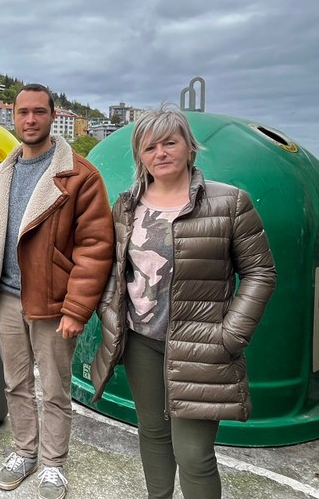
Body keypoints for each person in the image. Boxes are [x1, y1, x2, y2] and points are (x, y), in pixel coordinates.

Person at [90, 105, 277, 499]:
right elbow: (113, 270)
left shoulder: (229, 203)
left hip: (202, 347)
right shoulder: (127, 205)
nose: (161, 153)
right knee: (153, 435)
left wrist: (230, 335)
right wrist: (110, 313)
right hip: (140, 342)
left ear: (189, 147)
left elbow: (261, 272)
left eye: (170, 142)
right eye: (149, 146)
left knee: (194, 454)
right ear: (140, 155)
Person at [0, 83, 114, 499]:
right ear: (13, 117)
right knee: (15, 383)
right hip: (6, 298)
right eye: (23, 112)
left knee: (54, 388)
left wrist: (76, 309)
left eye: (39, 112)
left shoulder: (79, 175)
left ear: (52, 116)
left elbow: (96, 247)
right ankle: (24, 452)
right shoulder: (2, 172)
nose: (30, 120)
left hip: (54, 303)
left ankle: (52, 464)